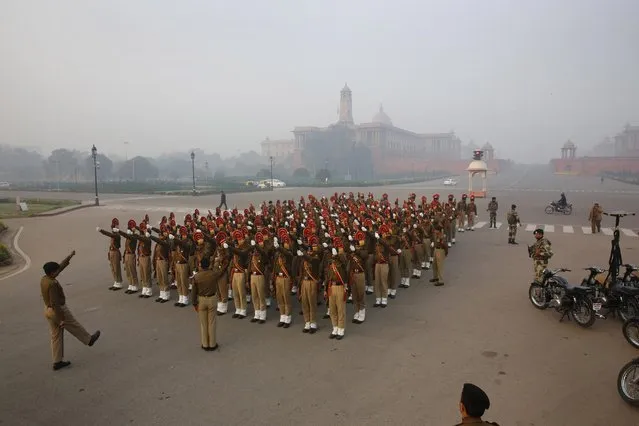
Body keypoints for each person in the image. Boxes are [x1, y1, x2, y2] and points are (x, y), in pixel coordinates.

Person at [41, 251, 101, 371]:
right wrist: (61, 319)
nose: (58, 272)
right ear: (52, 273)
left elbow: (59, 268)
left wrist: (69, 257)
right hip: (56, 310)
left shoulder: (45, 279)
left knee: (56, 336)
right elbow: (55, 303)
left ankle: (57, 361)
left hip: (47, 310)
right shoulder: (52, 284)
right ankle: (88, 339)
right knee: (73, 324)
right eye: (56, 271)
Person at [191, 257, 221, 351]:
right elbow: (220, 271)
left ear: (200, 265)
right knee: (212, 322)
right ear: (209, 265)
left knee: (203, 324)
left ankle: (205, 344)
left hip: (201, 300)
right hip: (212, 299)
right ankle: (212, 344)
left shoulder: (197, 277)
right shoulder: (213, 274)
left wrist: (194, 303)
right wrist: (216, 262)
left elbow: (193, 292)